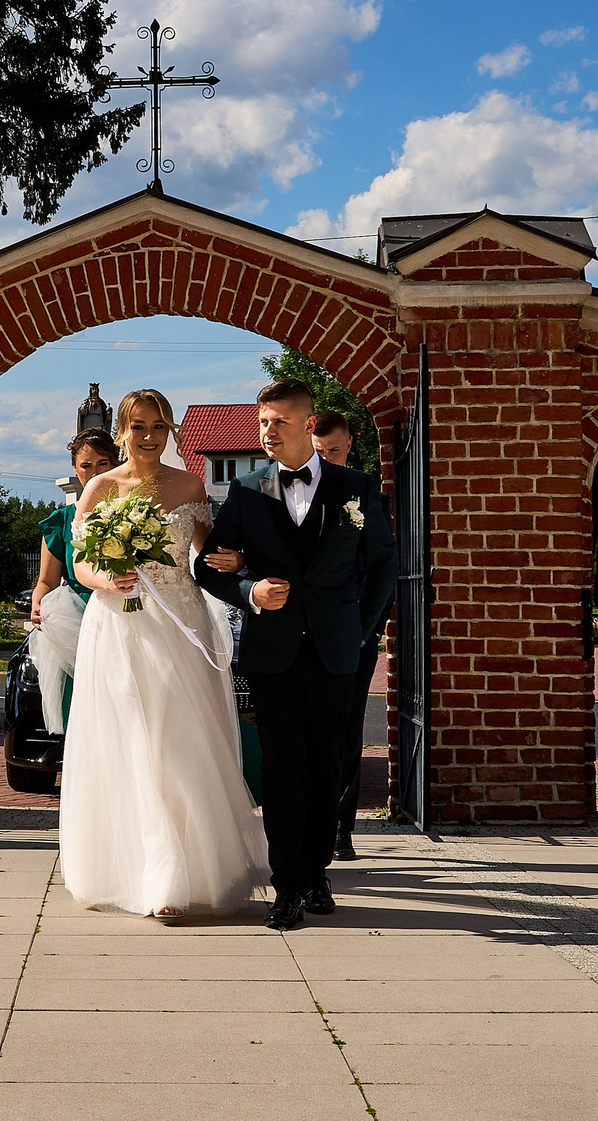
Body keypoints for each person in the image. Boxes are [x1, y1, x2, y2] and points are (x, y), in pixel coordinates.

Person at [58, 389, 268, 922]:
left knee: (179, 742)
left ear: (170, 429)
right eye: (137, 427)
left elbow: (207, 548)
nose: (148, 437)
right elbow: (80, 563)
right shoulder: (101, 487)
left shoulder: (190, 483)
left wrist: (239, 559)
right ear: (122, 432)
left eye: (158, 426)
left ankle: (195, 867)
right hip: (122, 627)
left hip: (181, 625)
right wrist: (106, 578)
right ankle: (152, 873)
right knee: (132, 742)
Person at [193, 380, 395, 929]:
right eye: (262, 423)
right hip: (272, 652)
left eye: (279, 422)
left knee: (327, 766)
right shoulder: (246, 493)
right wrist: (247, 592)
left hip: (336, 651)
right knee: (282, 768)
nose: (267, 432)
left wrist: (362, 631)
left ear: (308, 426)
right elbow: (205, 566)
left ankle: (316, 871)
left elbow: (384, 567)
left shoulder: (356, 488)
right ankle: (286, 886)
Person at [310, 410, 392, 862]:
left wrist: (366, 630)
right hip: (300, 631)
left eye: (335, 452)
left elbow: (381, 569)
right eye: (320, 453)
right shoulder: (293, 492)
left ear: (351, 446)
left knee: (346, 726)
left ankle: (341, 828)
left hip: (351, 635)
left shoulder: (367, 496)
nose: (328, 461)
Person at [29, 428, 121, 733]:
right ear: (74, 468)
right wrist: (37, 603)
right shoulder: (62, 521)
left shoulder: (132, 513)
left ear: (116, 463)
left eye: (102, 463)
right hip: (77, 626)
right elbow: (46, 581)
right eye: (85, 465)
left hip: (127, 616)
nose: (93, 472)